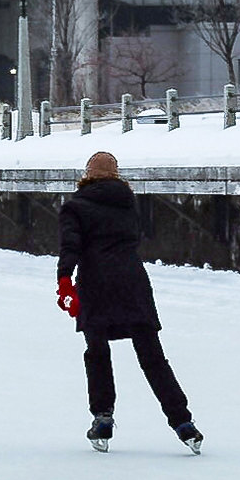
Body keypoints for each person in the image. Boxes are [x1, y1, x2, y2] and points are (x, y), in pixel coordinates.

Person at [57, 151, 201, 454]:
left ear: (86, 174)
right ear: (116, 175)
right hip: (132, 282)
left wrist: (64, 280)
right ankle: (182, 422)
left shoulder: (75, 207)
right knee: (152, 356)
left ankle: (103, 417)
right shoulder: (128, 204)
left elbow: (71, 245)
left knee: (97, 353)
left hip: (95, 283)